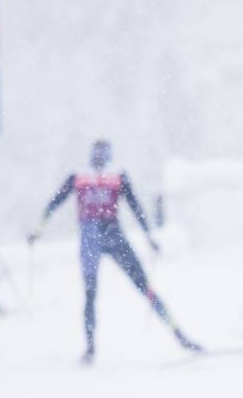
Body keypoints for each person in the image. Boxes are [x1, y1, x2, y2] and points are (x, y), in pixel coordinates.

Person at [28, 139, 201, 363]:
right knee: (90, 294)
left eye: (103, 152)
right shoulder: (79, 175)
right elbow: (54, 202)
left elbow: (136, 207)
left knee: (144, 286)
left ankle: (180, 335)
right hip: (91, 237)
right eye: (97, 152)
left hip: (113, 234)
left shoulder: (117, 175)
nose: (99, 156)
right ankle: (90, 348)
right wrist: (37, 231)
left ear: (108, 155)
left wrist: (150, 238)